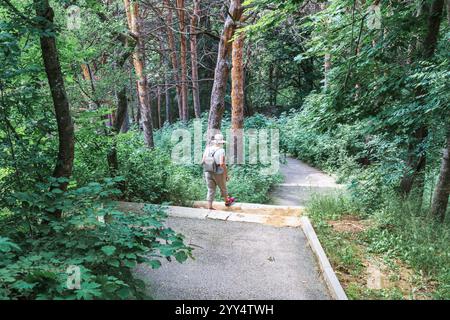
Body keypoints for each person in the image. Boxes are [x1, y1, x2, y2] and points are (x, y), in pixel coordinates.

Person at [202, 133, 235, 210]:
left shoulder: (207, 149)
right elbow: (222, 164)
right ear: (221, 143)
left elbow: (203, 161)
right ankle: (227, 201)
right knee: (223, 187)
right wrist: (226, 174)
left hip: (208, 171)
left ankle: (209, 206)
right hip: (218, 172)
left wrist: (209, 166)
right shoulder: (221, 150)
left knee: (210, 189)